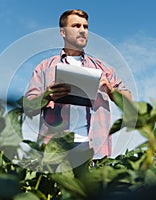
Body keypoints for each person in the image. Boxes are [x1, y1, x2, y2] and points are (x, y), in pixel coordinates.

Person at [24, 9, 132, 160]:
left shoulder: (103, 68)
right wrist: (46, 96)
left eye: (85, 27)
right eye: (76, 26)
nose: (82, 31)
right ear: (63, 32)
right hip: (55, 151)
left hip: (94, 151)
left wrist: (111, 90)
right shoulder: (44, 67)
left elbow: (129, 104)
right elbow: (28, 106)